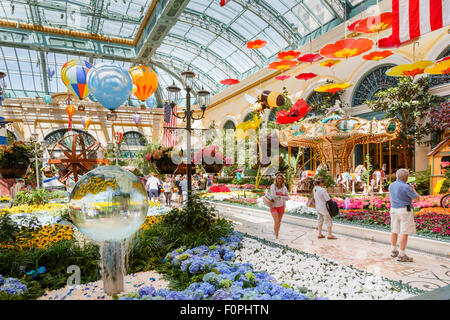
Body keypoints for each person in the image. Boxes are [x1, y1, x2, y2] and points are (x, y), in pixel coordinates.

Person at [388, 168, 419, 262]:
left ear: (397, 176)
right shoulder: (407, 187)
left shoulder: (391, 185)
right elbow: (417, 199)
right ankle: (402, 254)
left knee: (394, 230)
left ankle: (393, 250)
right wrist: (413, 189)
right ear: (406, 177)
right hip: (405, 210)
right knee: (404, 232)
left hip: (393, 209)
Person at [269, 173, 290, 243]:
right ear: (276, 179)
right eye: (278, 178)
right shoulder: (273, 186)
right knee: (276, 221)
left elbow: (288, 197)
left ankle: (276, 233)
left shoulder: (284, 188)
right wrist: (281, 196)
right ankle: (276, 237)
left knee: (279, 222)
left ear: (283, 180)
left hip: (281, 206)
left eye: (281, 179)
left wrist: (280, 196)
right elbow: (273, 195)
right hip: (273, 206)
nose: (279, 180)